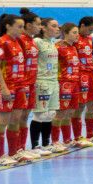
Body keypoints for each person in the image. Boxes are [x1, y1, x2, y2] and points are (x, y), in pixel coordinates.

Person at [0, 14, 26, 165]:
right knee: (2, 120)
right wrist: (4, 88)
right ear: (8, 26)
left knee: (16, 119)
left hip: (19, 86)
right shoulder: (1, 42)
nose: (22, 29)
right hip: (6, 87)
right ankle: (0, 156)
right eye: (19, 26)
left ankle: (13, 153)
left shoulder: (17, 41)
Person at [14, 8, 41, 161]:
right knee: (18, 118)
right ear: (29, 25)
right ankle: (16, 150)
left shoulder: (31, 40)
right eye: (37, 24)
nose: (40, 27)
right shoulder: (20, 40)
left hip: (31, 83)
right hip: (21, 84)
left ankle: (21, 148)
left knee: (25, 117)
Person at [31, 18, 60, 155]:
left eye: (57, 26)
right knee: (40, 115)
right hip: (42, 81)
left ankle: (46, 144)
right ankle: (35, 146)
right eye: (54, 26)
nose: (57, 28)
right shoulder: (37, 42)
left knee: (51, 114)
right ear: (43, 27)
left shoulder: (52, 43)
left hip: (53, 81)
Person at [55, 23, 83, 150]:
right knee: (60, 113)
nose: (77, 35)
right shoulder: (58, 47)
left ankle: (67, 140)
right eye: (74, 32)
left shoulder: (74, 47)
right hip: (64, 83)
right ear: (65, 33)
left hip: (75, 83)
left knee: (70, 112)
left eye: (77, 32)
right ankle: (54, 141)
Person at [75, 16, 93, 145]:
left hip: (91, 75)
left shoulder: (89, 40)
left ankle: (91, 136)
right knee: (80, 106)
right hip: (80, 76)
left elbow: (90, 58)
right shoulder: (74, 38)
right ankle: (77, 138)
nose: (91, 32)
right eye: (89, 29)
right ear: (82, 25)